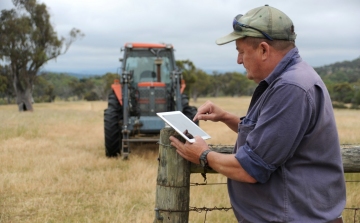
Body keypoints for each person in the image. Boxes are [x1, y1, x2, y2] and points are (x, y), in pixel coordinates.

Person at [169, 4, 346, 223]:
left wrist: (203, 155)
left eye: (241, 51)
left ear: (263, 49)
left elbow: (251, 169)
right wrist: (226, 117)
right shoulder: (291, 79)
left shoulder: (291, 87)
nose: (239, 60)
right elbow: (273, 135)